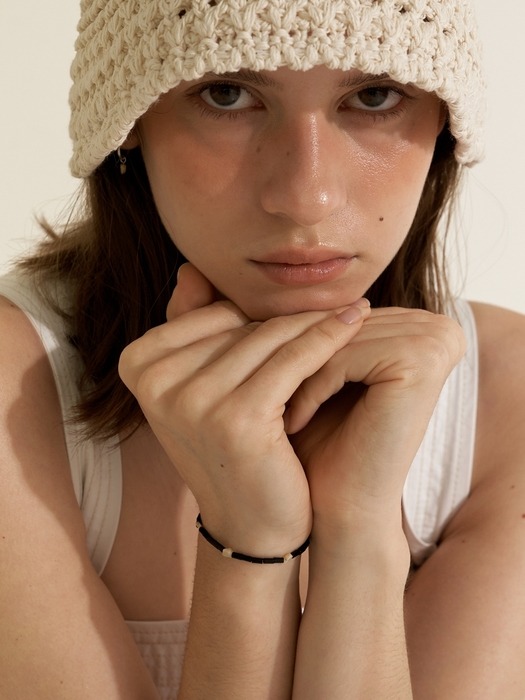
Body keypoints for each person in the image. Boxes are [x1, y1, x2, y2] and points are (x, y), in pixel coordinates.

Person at [1, 0, 525, 697]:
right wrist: (250, 539)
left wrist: (357, 533)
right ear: (126, 124)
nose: (305, 196)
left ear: (444, 126)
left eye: (374, 95)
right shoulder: (15, 389)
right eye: (226, 94)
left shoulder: (504, 400)